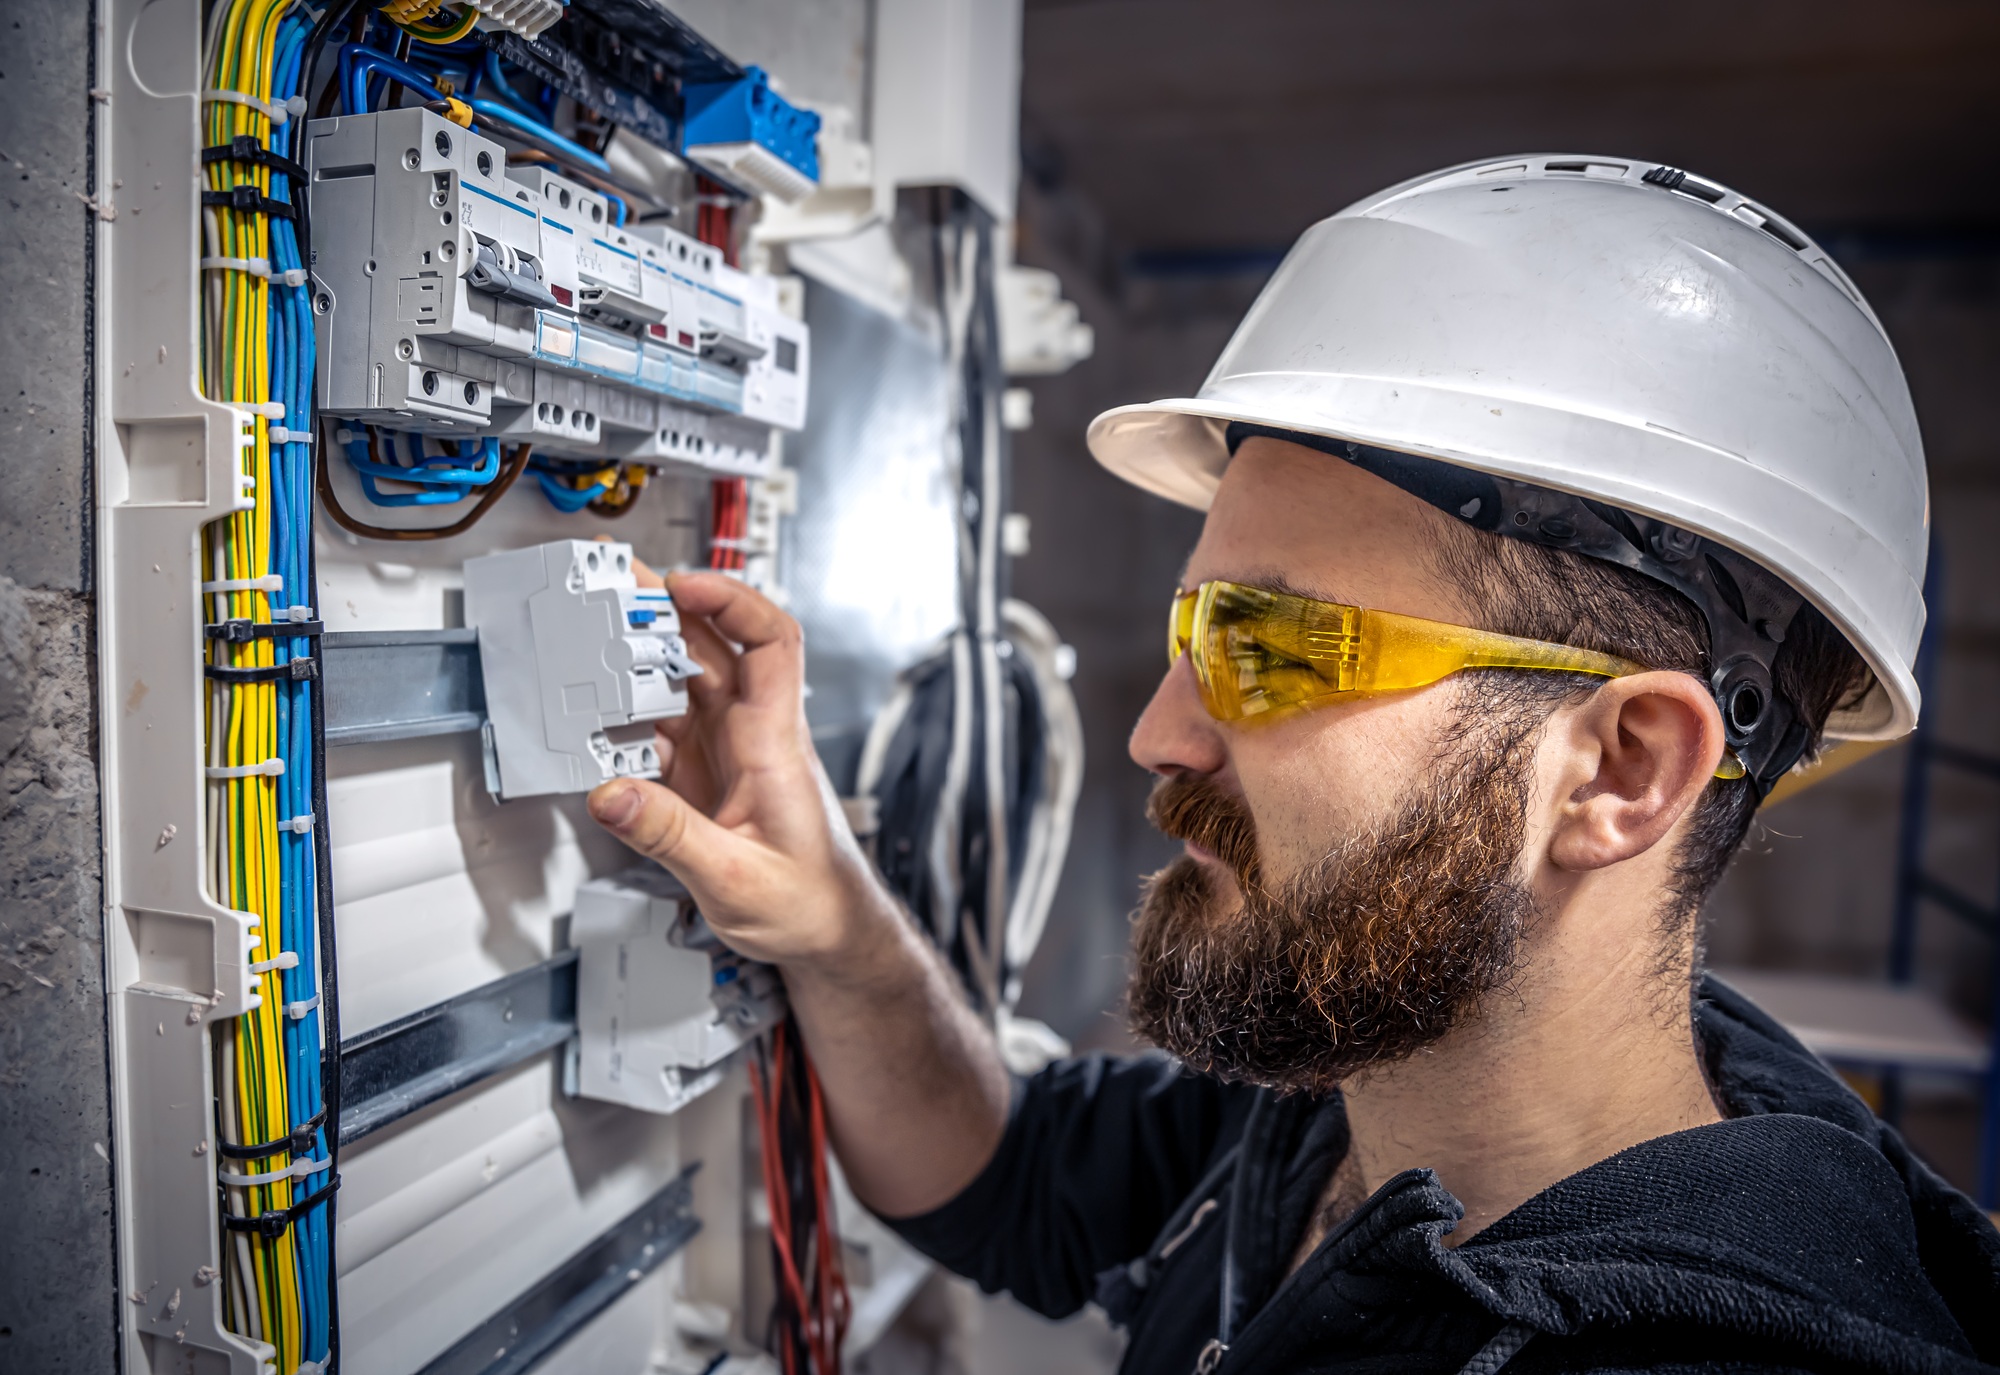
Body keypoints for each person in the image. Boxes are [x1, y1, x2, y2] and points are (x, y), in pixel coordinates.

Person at [586, 156, 2000, 1372]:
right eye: (1192, 627)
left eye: (1274, 644)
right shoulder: (1361, 1065)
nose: (1158, 733)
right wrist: (833, 917)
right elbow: (1009, 1180)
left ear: (1621, 770)